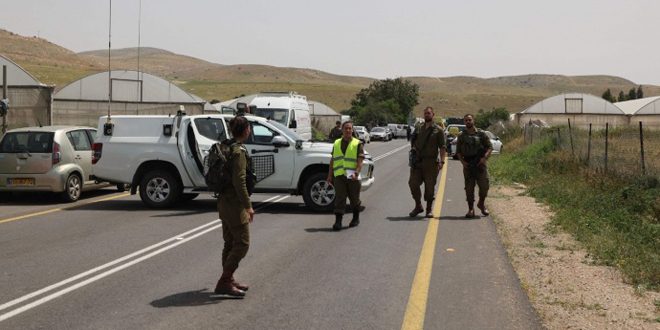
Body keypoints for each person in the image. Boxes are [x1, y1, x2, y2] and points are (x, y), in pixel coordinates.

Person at [213, 116, 255, 298]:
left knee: (229, 242)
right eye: (249, 128)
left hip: (223, 202)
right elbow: (240, 182)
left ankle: (228, 279)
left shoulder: (225, 146)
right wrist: (248, 206)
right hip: (234, 204)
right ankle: (225, 280)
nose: (250, 131)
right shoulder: (237, 152)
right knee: (242, 243)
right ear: (245, 130)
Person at [408, 106, 447, 218]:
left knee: (430, 188)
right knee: (413, 183)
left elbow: (442, 147)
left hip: (431, 163)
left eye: (429, 113)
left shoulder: (438, 130)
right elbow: (413, 141)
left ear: (433, 115)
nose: (427, 115)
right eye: (425, 113)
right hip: (418, 162)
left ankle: (429, 209)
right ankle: (418, 205)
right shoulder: (419, 128)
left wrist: (442, 162)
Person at [326, 121, 365, 231]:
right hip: (339, 176)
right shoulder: (337, 143)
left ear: (352, 130)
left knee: (354, 199)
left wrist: (356, 173)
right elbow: (332, 160)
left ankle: (355, 218)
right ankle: (338, 222)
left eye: (349, 128)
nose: (348, 130)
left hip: (353, 176)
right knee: (339, 198)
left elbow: (360, 160)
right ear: (342, 130)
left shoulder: (358, 143)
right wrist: (329, 176)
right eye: (346, 128)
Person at [456, 114, 493, 218]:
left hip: (480, 164)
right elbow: (458, 152)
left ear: (473, 121)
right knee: (469, 188)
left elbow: (490, 147)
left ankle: (481, 203)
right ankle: (470, 209)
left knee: (484, 186)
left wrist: (484, 158)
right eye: (466, 120)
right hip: (468, 165)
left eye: (470, 120)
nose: (468, 121)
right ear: (464, 122)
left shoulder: (481, 134)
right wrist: (463, 162)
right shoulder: (461, 135)